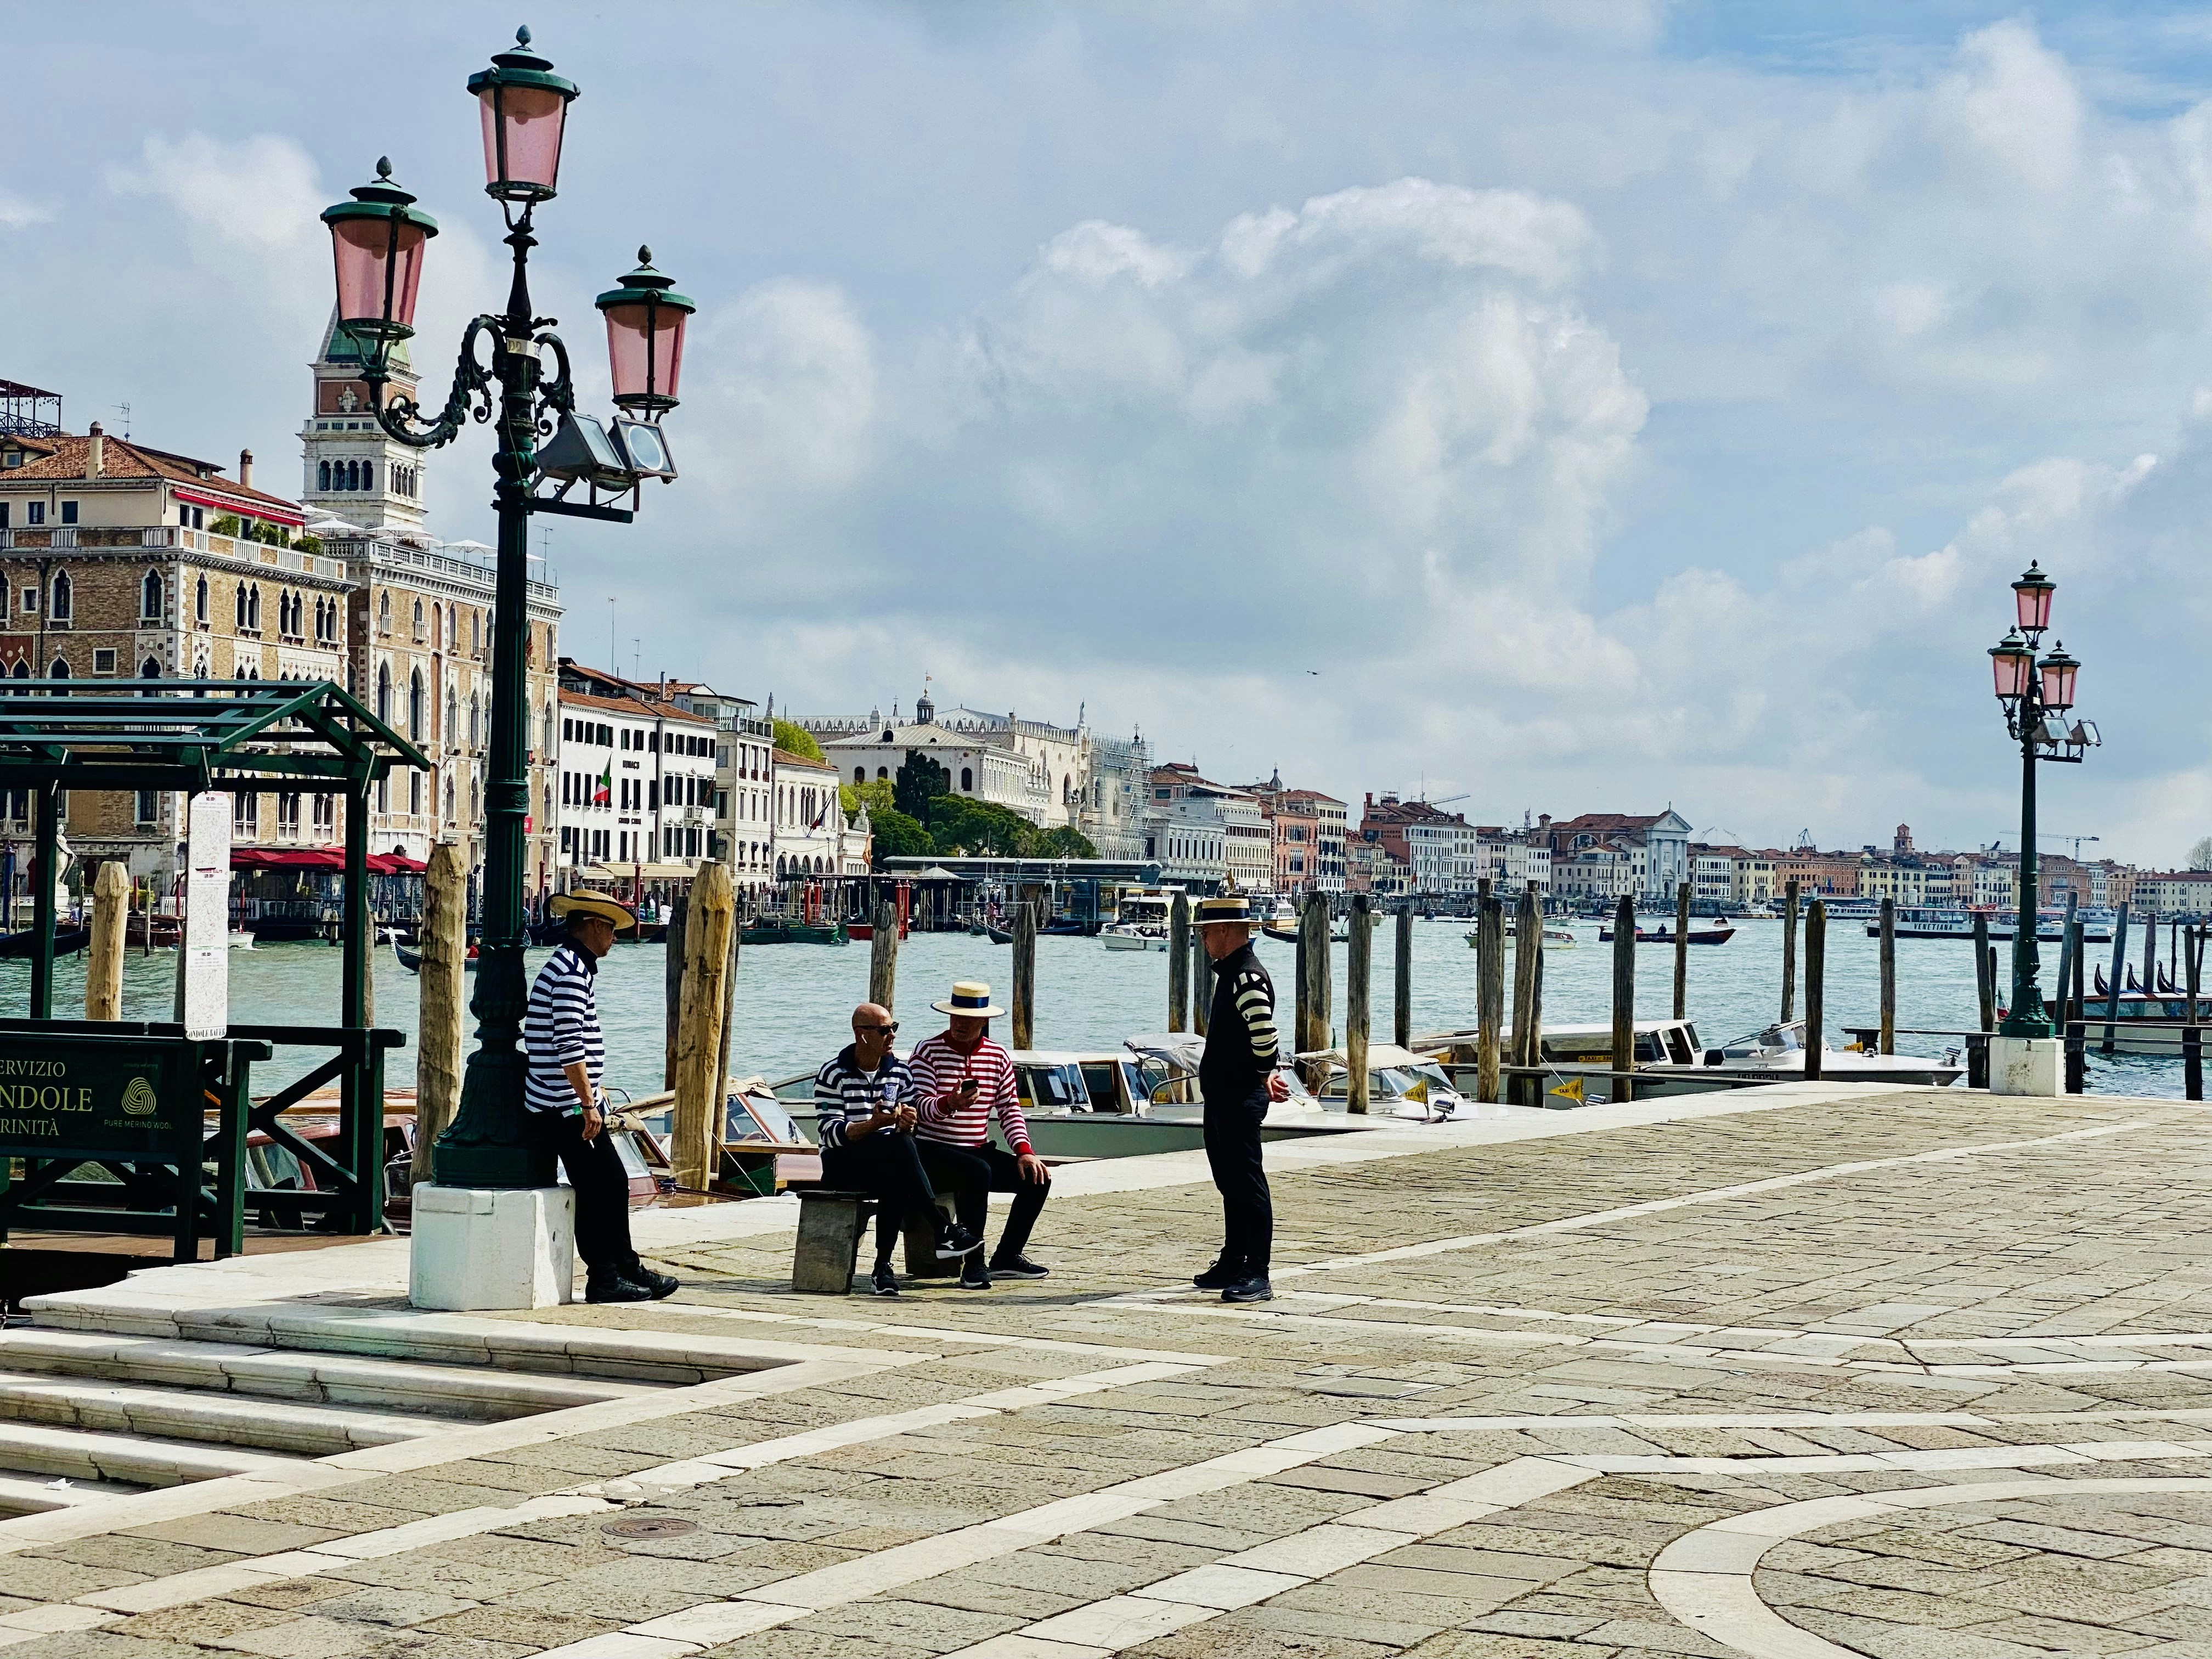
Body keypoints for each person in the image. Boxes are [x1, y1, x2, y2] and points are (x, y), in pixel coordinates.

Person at [523, 893, 678, 1304]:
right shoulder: (571, 971)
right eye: (610, 928)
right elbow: (569, 1044)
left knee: (608, 1183)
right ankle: (607, 1277)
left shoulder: (571, 966)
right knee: (603, 1185)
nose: (614, 937)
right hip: (564, 1105)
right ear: (592, 925)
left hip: (564, 1101)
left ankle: (623, 1268)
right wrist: (587, 1103)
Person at [814, 1002, 984, 1296]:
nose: (891, 1035)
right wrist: (874, 1124)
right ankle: (942, 1229)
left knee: (971, 1169)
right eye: (884, 1030)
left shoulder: (901, 1073)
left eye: (894, 1028)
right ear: (861, 1033)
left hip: (889, 1157)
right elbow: (830, 1134)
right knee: (897, 1151)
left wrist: (908, 1123)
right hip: (843, 1162)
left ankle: (883, 1268)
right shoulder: (833, 1073)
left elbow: (907, 1126)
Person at [909, 980, 1051, 1291]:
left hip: (976, 1148)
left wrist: (1024, 1151)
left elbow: (1010, 1109)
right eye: (956, 1017)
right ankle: (973, 1264)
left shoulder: (998, 1057)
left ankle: (1007, 1256)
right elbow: (919, 1107)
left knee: (1038, 1178)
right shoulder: (927, 1051)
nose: (960, 1024)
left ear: (983, 1021)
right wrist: (950, 1103)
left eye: (968, 1019)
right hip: (932, 1150)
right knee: (977, 1172)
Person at [1192, 895, 1290, 1303]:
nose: (1203, 942)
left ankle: (1257, 1271)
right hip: (1225, 1093)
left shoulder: (1246, 977)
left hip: (1238, 1094)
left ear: (1226, 931)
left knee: (1247, 1182)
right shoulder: (1232, 974)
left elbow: (1265, 1037)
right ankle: (1234, 1259)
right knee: (1229, 1180)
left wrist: (1264, 1075)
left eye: (1207, 934)